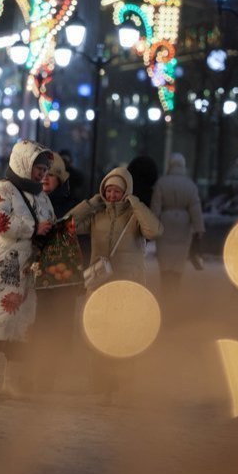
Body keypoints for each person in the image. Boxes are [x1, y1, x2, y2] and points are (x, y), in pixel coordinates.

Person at [69, 166, 163, 402]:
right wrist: (90, 204)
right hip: (100, 284)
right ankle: (100, 385)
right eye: (108, 190)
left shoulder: (135, 216)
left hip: (127, 283)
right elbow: (68, 225)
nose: (112, 195)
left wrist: (136, 204)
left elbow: (154, 231)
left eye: (117, 191)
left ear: (126, 192)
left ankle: (123, 385)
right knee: (98, 333)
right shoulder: (97, 215)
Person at [0, 140, 55, 397]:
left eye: (44, 170)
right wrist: (34, 228)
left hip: (26, 271)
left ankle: (14, 383)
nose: (41, 174)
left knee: (21, 327)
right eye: (37, 168)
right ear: (23, 163)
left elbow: (50, 221)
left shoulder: (41, 196)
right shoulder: (2, 189)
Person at [29, 152, 83, 390]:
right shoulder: (31, 201)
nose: (45, 178)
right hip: (37, 275)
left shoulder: (72, 205)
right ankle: (36, 372)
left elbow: (82, 241)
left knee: (59, 324)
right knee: (38, 323)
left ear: (61, 179)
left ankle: (49, 375)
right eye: (43, 173)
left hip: (63, 278)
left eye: (51, 175)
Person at [151, 153, 205, 305]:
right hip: (183, 225)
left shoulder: (161, 183)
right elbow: (195, 208)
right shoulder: (190, 185)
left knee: (165, 258)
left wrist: (151, 226)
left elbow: (156, 207)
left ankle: (166, 288)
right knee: (179, 259)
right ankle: (175, 287)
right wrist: (199, 228)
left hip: (165, 224)